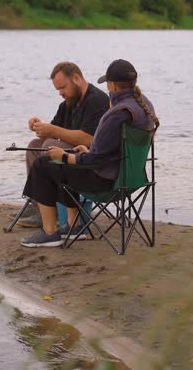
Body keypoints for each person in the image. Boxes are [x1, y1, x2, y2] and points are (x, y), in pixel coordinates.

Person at [20, 59, 160, 248]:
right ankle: (75, 227)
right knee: (59, 165)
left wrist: (65, 156)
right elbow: (107, 150)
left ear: (112, 85)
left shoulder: (116, 113)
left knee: (44, 165)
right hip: (130, 178)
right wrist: (84, 152)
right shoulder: (144, 105)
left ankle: (50, 232)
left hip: (105, 182)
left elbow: (95, 159)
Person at [17, 62, 109, 227]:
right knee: (34, 145)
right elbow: (53, 130)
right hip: (70, 157)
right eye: (58, 89)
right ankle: (39, 206)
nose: (60, 93)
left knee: (50, 144)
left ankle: (52, 211)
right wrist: (38, 126)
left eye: (63, 87)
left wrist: (52, 131)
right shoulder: (68, 103)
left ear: (76, 78)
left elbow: (90, 139)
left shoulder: (97, 100)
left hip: (88, 162)